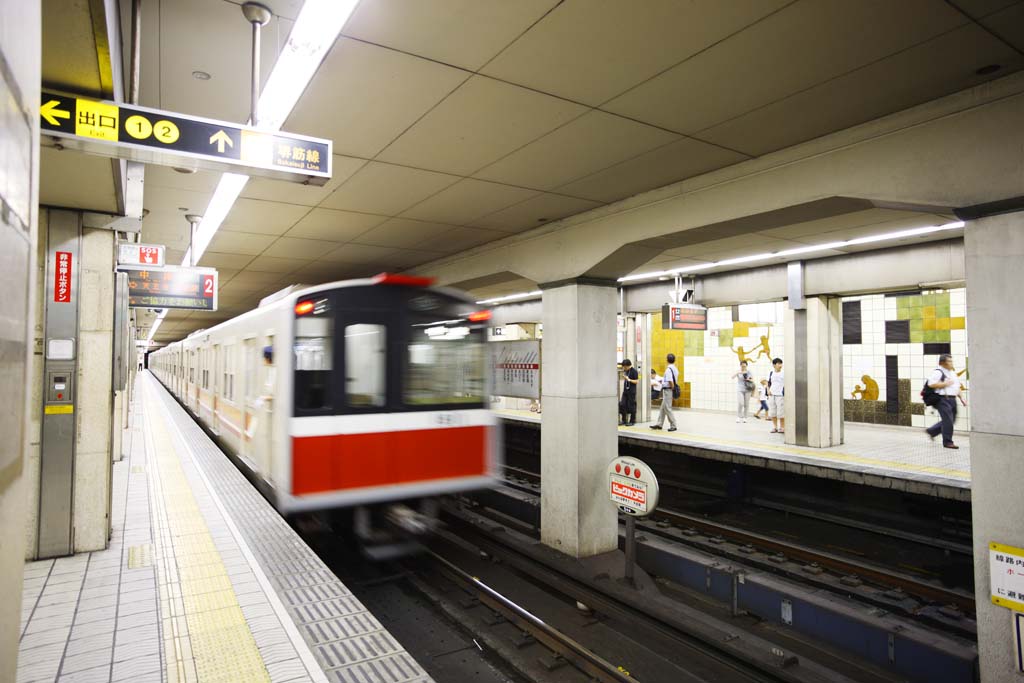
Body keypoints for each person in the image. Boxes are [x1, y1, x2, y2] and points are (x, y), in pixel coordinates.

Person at [925, 353, 967, 449]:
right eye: (949, 361)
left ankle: (932, 431)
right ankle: (948, 442)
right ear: (943, 363)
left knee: (952, 420)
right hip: (942, 399)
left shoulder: (952, 373)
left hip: (952, 399)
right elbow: (931, 384)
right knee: (948, 420)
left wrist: (962, 398)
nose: (951, 363)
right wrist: (944, 384)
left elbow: (957, 387)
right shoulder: (938, 372)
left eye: (951, 361)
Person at [650, 353, 678, 432]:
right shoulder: (675, 368)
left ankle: (673, 425)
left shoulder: (668, 369)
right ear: (674, 360)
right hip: (668, 389)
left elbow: (670, 381)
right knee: (662, 408)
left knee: (667, 408)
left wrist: (671, 388)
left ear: (667, 360)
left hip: (668, 390)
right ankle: (659, 424)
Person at [618, 359, 639, 426]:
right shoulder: (626, 371)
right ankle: (624, 420)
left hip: (631, 391)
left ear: (627, 366)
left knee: (632, 406)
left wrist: (628, 379)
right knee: (622, 404)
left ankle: (632, 421)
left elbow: (637, 381)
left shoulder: (634, 371)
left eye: (624, 367)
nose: (623, 368)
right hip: (625, 391)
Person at [767, 358, 785, 434]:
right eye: (778, 364)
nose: (780, 365)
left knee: (781, 413)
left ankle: (782, 427)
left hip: (780, 395)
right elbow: (768, 383)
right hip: (772, 395)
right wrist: (768, 390)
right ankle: (775, 427)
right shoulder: (771, 373)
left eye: (781, 363)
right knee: (773, 412)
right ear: (774, 365)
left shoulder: (784, 373)